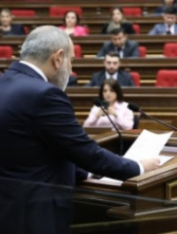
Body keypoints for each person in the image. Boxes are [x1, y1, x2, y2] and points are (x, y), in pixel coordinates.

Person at [0, 26, 159, 234]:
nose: (71, 68)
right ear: (58, 58)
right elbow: (85, 152)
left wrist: (87, 172)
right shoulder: (45, 95)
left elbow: (34, 149)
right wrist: (138, 167)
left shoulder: (4, 83)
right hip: (35, 215)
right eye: (71, 61)